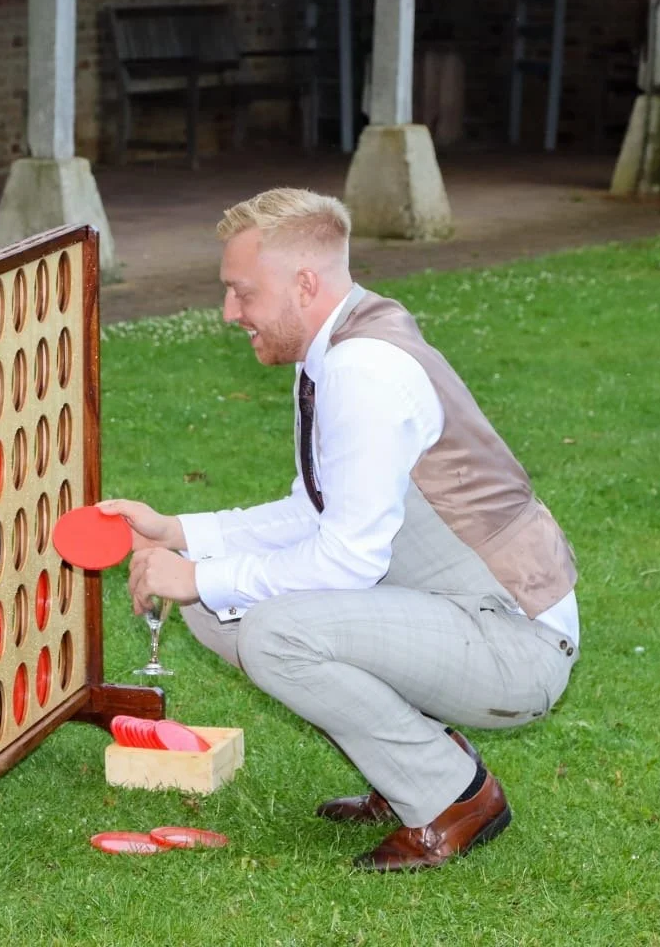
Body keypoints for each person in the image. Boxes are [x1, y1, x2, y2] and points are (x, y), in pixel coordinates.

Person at [100, 189, 580, 871]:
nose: (229, 312)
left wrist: (200, 571)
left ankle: (453, 797)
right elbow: (314, 511)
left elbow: (348, 558)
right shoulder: (334, 350)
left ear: (304, 283)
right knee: (215, 608)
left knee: (273, 631)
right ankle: (407, 766)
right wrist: (178, 531)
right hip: (460, 616)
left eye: (242, 293)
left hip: (516, 643)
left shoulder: (364, 369)